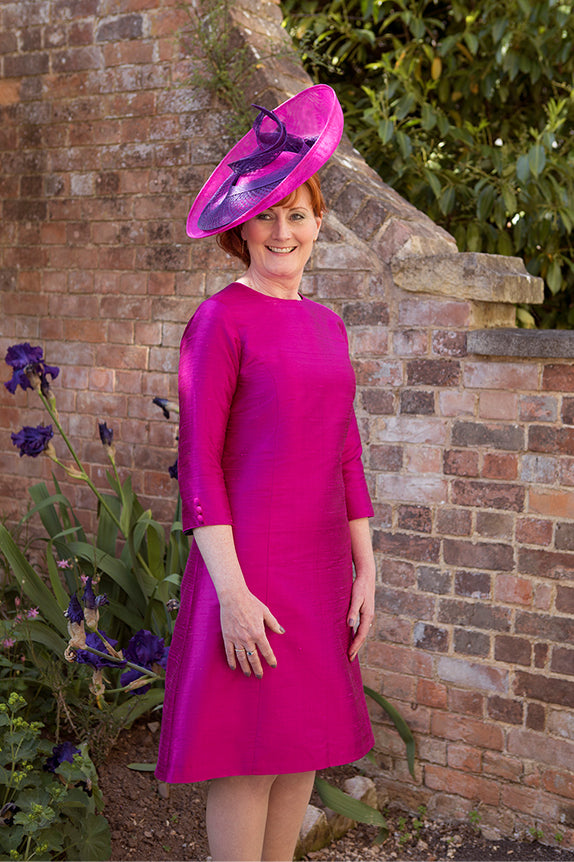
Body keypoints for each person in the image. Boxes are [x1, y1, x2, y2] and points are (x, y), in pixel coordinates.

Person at [155, 85, 377, 862]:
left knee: (300, 757)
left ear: (318, 222)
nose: (283, 231)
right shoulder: (220, 321)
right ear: (241, 228)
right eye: (268, 215)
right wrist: (232, 594)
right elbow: (200, 467)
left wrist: (366, 570)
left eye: (299, 214)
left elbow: (344, 450)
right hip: (246, 570)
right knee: (248, 765)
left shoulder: (327, 325)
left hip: (319, 572)